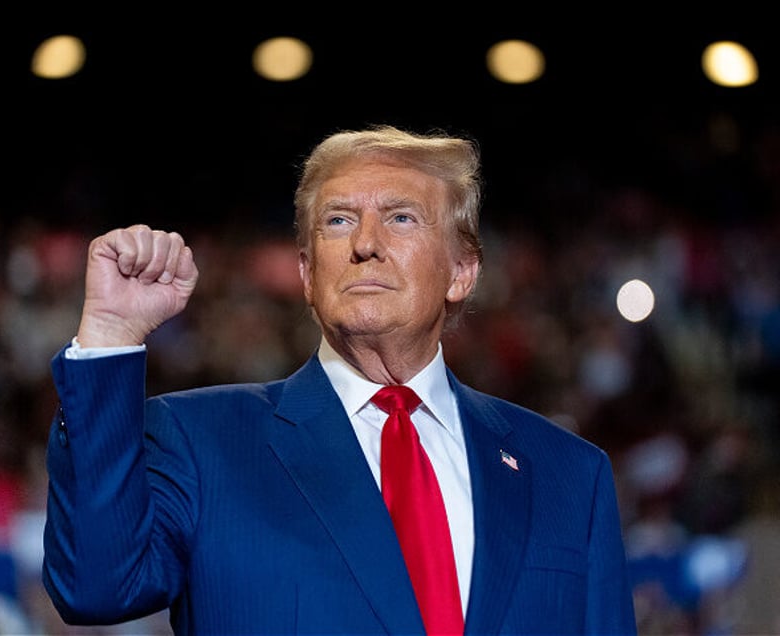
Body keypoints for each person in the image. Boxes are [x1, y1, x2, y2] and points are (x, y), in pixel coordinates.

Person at [42, 125, 638, 635]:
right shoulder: (203, 443)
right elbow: (96, 587)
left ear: (462, 271)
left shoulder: (568, 475)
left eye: (401, 217)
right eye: (338, 220)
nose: (365, 244)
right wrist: (111, 335)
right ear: (306, 273)